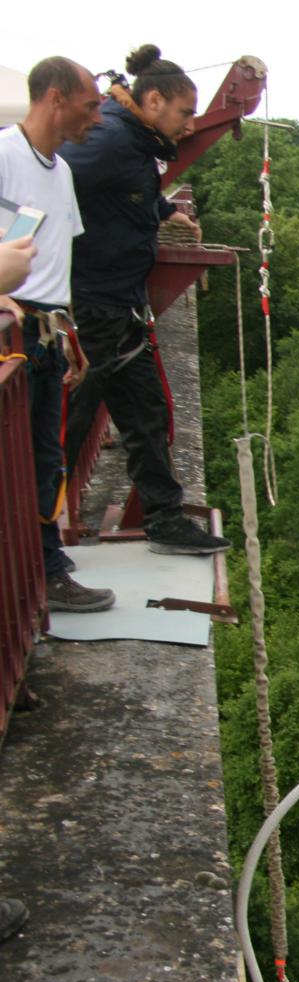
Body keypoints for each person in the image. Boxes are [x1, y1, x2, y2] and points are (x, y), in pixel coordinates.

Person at [60, 45, 225, 557]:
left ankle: (164, 519)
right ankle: (37, 534)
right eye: (184, 112)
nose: (189, 125)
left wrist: (162, 211)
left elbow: (121, 195)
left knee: (146, 413)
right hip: (95, 305)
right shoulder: (110, 139)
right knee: (70, 425)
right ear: (153, 100)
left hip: (117, 303)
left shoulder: (130, 140)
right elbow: (52, 182)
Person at [0, 56, 114, 612]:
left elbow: (55, 260)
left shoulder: (61, 171)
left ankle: (46, 570)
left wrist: (70, 333)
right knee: (19, 462)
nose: (98, 118)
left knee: (46, 459)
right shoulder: (4, 155)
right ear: (54, 98)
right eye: (90, 106)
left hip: (46, 335)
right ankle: (38, 574)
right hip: (13, 337)